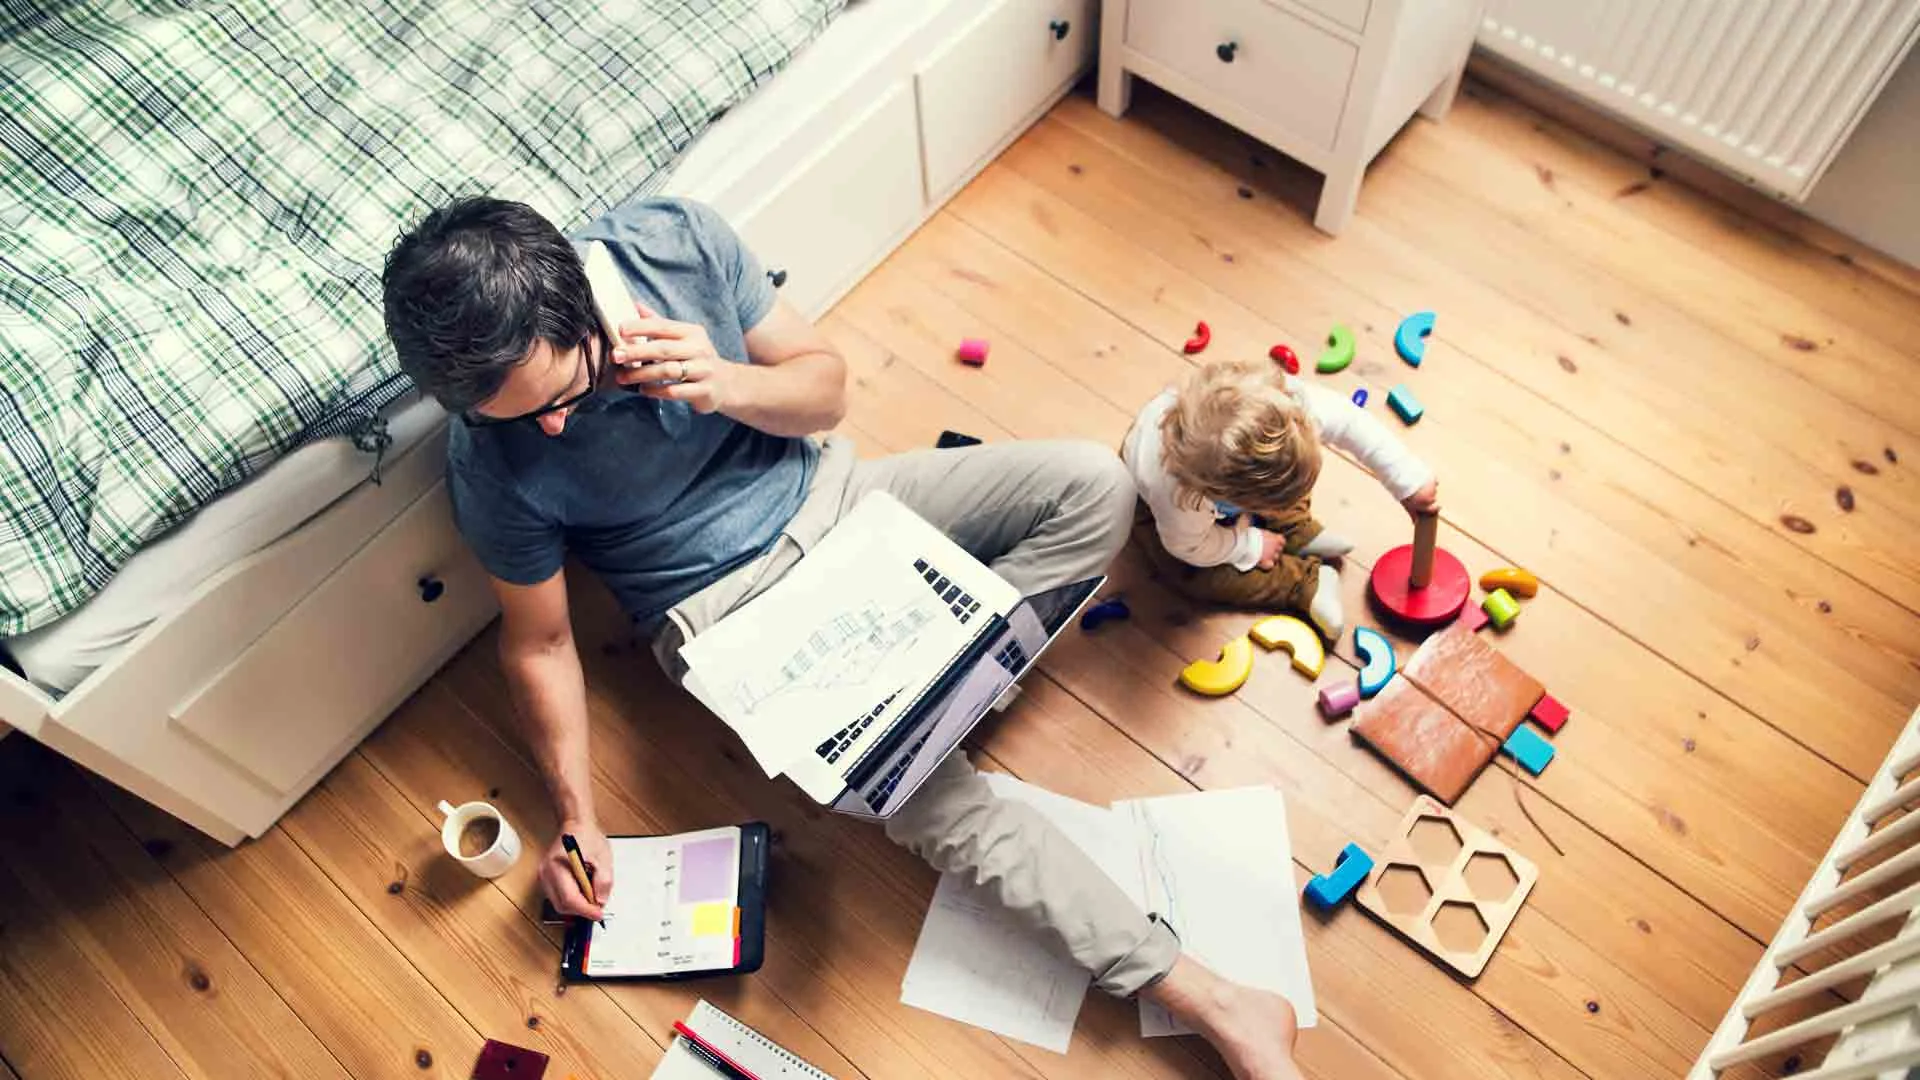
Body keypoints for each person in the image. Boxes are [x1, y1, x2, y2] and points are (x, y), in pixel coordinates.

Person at [381, 196, 1304, 1078]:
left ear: (580, 298)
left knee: (1093, 486)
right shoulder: (490, 461)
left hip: (847, 504)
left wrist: (727, 381)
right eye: (517, 418)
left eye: (565, 395)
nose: (550, 426)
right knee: (920, 799)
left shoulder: (674, 242)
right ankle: (1211, 997)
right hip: (730, 616)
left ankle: (928, 702)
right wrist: (577, 815)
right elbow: (539, 644)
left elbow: (825, 392)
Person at [1122, 358, 1439, 640]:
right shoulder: (1180, 501)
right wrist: (1249, 546)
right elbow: (1190, 548)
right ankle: (1300, 585)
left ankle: (1296, 528)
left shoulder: (1289, 407)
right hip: (1166, 516)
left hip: (1232, 487)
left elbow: (1350, 421)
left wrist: (1408, 481)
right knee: (1185, 573)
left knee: (1286, 477)